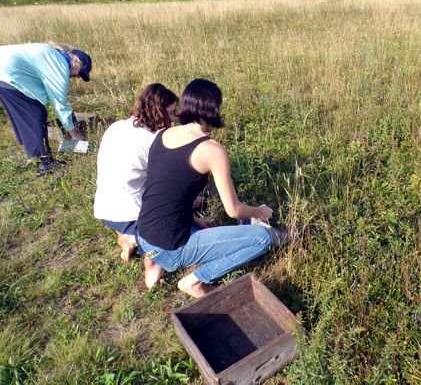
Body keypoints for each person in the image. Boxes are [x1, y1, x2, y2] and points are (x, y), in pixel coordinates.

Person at [136, 79, 286, 298]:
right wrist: (259, 211)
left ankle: (154, 262)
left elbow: (167, 192)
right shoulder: (211, 150)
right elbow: (233, 210)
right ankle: (195, 281)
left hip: (143, 234)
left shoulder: (162, 135)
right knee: (262, 238)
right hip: (173, 245)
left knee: (193, 232)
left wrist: (193, 219)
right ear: (213, 109)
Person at [94, 83, 178, 262]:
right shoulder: (152, 142)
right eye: (171, 113)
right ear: (158, 112)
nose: (173, 119)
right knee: (174, 235)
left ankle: (126, 232)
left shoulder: (117, 126)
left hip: (104, 208)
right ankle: (133, 239)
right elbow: (165, 189)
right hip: (129, 213)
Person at [0, 41, 92, 176]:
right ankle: (46, 163)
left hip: (5, 72)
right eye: (80, 73)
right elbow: (60, 105)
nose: (77, 77)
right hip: (7, 72)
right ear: (76, 61)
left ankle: (35, 153)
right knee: (35, 113)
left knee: (27, 113)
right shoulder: (59, 65)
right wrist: (74, 135)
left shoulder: (54, 57)